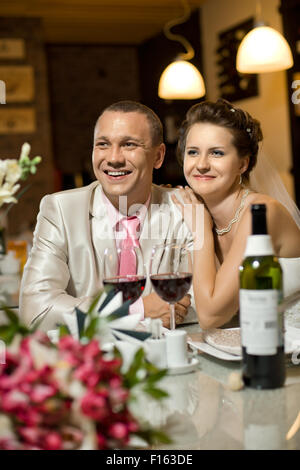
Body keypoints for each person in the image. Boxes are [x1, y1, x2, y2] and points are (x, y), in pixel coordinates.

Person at [20, 100, 194, 331]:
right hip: (85, 360)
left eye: (129, 144)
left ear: (158, 156)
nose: (113, 158)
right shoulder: (61, 210)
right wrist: (135, 310)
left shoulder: (184, 209)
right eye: (103, 144)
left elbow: (204, 305)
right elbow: (35, 310)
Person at [173, 99, 300, 329]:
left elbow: (211, 317)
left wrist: (200, 230)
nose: (201, 164)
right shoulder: (194, 211)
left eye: (217, 153)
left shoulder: (261, 213)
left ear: (243, 164)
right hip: (245, 348)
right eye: (193, 152)